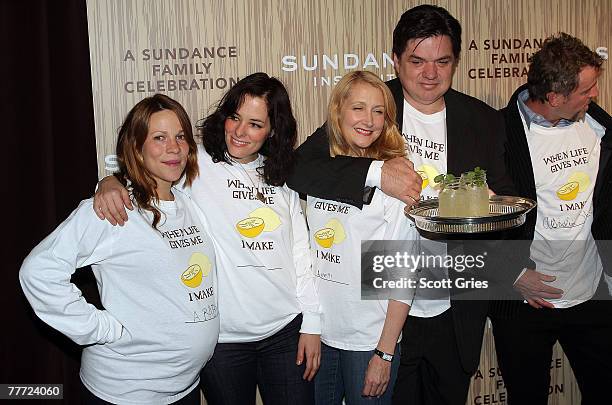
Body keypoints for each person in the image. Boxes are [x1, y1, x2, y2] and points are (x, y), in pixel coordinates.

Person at [287, 5, 516, 405]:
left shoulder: (482, 120)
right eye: (417, 60)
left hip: (452, 308)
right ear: (396, 60)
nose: (430, 73)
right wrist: (377, 173)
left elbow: (504, 203)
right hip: (383, 315)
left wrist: (488, 210)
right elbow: (303, 169)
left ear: (456, 62)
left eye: (442, 61)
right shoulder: (371, 104)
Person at [94, 73, 320, 405]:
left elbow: (301, 254)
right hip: (221, 340)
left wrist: (312, 323)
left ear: (272, 130)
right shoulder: (195, 161)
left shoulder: (279, 174)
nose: (240, 131)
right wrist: (109, 182)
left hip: (286, 331)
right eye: (235, 117)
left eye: (255, 124)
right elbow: (144, 172)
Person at [20, 94, 218, 404]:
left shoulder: (187, 202)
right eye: (159, 138)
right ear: (136, 149)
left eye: (180, 136)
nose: (174, 147)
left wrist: (109, 179)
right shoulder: (115, 211)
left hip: (184, 390)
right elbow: (38, 271)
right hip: (124, 393)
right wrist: (99, 329)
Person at [490, 32, 612, 405]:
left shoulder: (600, 127)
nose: (594, 95)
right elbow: (474, 218)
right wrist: (511, 274)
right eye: (587, 90)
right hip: (525, 303)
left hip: (592, 294)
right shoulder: (497, 135)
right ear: (555, 97)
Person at [305, 71, 414, 404]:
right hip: (319, 337)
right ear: (338, 111)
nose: (369, 120)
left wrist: (384, 354)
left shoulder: (395, 180)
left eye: (378, 111)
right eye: (359, 108)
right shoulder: (318, 171)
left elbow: (402, 276)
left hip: (369, 341)